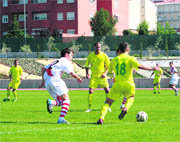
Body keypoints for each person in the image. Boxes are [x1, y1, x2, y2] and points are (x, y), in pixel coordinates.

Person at [97, 41, 159, 124]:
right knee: (131, 97)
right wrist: (151, 68)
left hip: (117, 84)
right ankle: (126, 108)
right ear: (127, 49)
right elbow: (139, 66)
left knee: (108, 102)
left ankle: (101, 117)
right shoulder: (130, 58)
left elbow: (110, 70)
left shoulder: (114, 60)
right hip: (128, 84)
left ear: (119, 49)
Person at [39, 48, 82, 124]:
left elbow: (43, 69)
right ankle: (61, 119)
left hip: (48, 82)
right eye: (71, 55)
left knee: (62, 101)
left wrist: (43, 82)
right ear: (67, 54)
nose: (72, 57)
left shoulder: (56, 61)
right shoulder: (66, 61)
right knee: (67, 100)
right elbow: (72, 73)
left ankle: (52, 102)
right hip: (55, 80)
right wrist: (78, 77)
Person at [85, 42, 111, 112]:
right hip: (94, 76)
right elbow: (87, 66)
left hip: (102, 76)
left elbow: (108, 66)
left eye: (99, 47)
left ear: (101, 48)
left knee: (107, 90)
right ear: (94, 47)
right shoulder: (90, 56)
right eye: (97, 47)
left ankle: (108, 106)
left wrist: (105, 73)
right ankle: (89, 107)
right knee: (90, 91)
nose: (98, 48)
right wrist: (87, 74)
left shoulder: (104, 55)